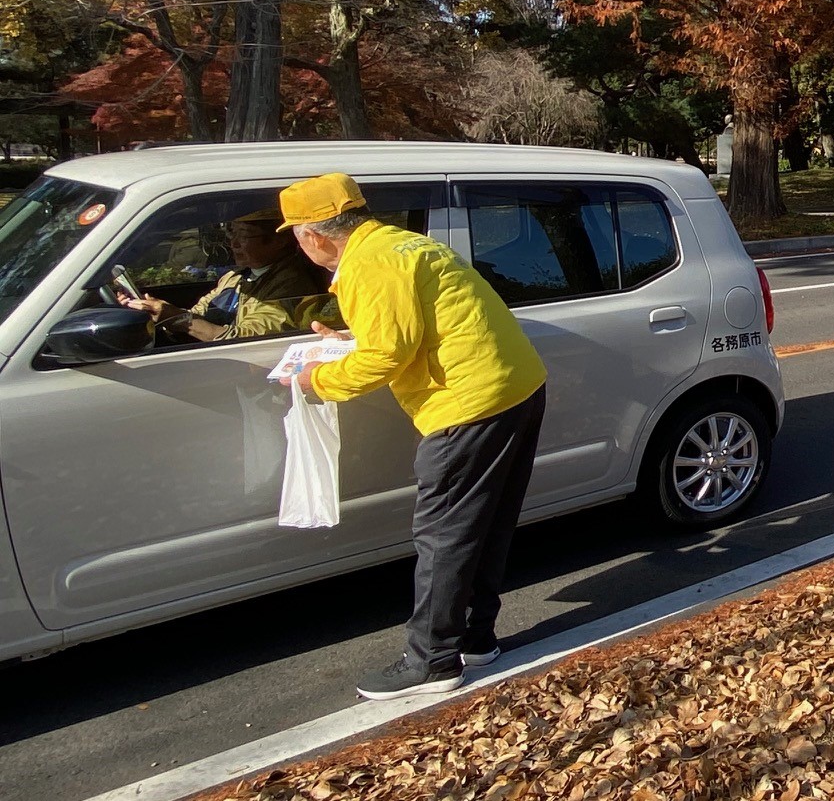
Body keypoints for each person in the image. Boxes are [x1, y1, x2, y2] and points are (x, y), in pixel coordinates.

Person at [278, 172, 548, 701]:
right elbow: (402, 328)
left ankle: (432, 662)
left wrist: (318, 380)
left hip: (467, 404)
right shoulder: (398, 244)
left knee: (444, 534)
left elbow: (388, 354)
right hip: (514, 387)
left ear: (313, 237)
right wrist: (346, 343)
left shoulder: (369, 264)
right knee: (484, 524)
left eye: (296, 237)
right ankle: (474, 637)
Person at [119, 206, 329, 342]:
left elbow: (244, 341)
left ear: (280, 240)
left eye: (244, 235)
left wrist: (179, 319)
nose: (233, 243)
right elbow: (198, 312)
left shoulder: (292, 285)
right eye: (232, 233)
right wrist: (153, 310)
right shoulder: (236, 277)